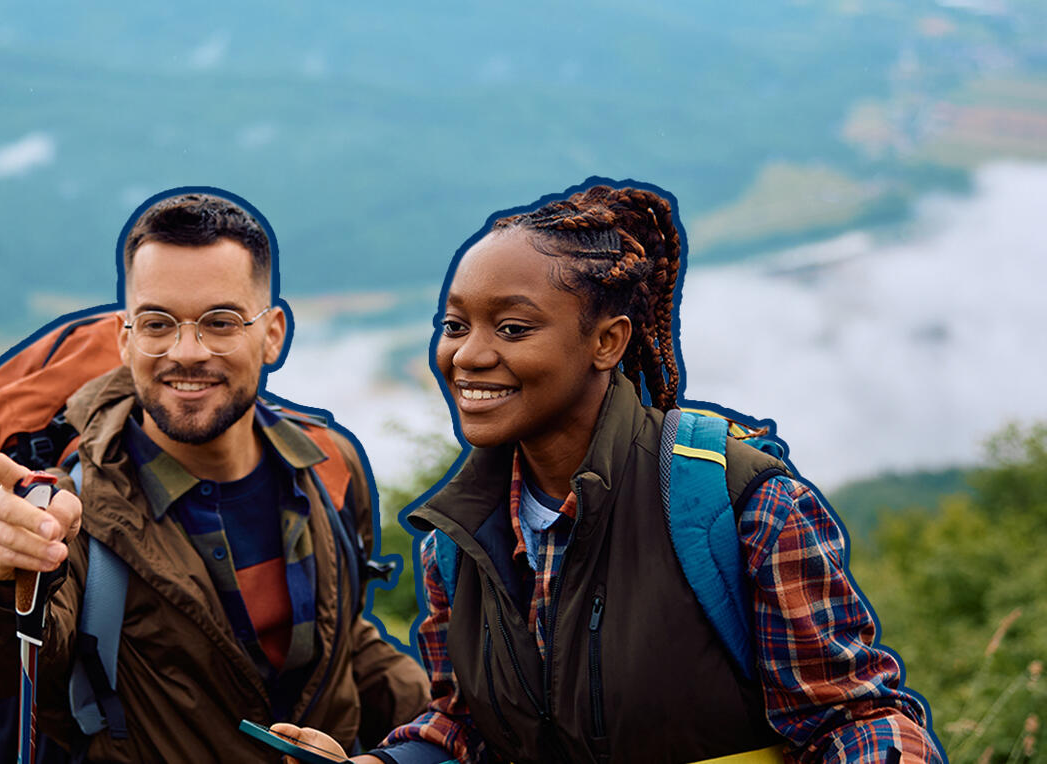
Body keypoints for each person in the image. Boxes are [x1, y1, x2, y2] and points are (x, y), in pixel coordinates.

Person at [273, 182, 941, 763]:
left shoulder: (739, 508)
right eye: (454, 324)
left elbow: (852, 719)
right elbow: (468, 727)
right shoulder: (454, 544)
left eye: (511, 328)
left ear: (607, 342)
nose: (468, 355)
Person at [0, 190, 429, 762]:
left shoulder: (327, 465)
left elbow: (345, 644)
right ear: (126, 338)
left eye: (220, 321)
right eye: (158, 322)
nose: (187, 351)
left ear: (273, 334)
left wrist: (452, 729)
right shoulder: (71, 509)